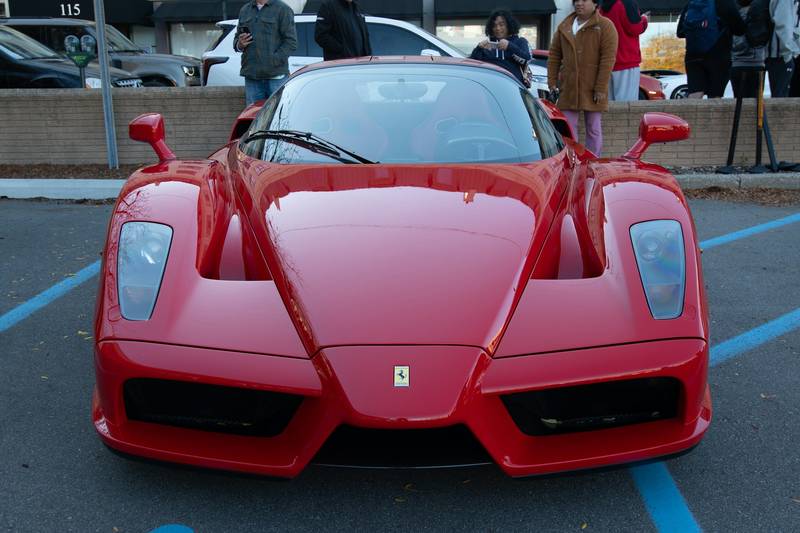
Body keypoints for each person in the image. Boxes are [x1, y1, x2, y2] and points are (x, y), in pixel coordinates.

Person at [547, 0, 618, 156]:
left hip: (593, 87)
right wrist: (552, 81)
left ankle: (593, 161)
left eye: (584, 0)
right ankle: (572, 160)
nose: (579, 3)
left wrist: (600, 87)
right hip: (568, 87)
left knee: (593, 128)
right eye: (576, 0)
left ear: (595, 3)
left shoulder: (605, 26)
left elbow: (608, 59)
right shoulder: (564, 26)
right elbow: (554, 56)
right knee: (568, 128)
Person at [234, 0, 298, 106]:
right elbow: (236, 39)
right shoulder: (245, 10)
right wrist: (239, 44)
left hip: (276, 77)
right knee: (253, 115)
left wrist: (274, 60)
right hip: (252, 77)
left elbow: (291, 42)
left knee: (278, 114)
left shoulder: (283, 9)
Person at [677, 0, 741, 98]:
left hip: (692, 55)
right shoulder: (725, 3)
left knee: (695, 92)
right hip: (718, 54)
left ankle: (692, 108)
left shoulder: (691, 4)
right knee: (715, 94)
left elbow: (680, 32)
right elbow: (739, 29)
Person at [600, 0, 649, 101]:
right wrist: (644, 20)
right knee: (627, 104)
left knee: (609, 105)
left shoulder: (602, 5)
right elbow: (635, 28)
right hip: (627, 61)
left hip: (607, 62)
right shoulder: (627, 2)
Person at [470, 10, 532, 85]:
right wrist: (479, 48)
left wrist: (509, 46)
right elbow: (471, 65)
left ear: (509, 25)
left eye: (501, 25)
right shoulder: (487, 45)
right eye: (494, 25)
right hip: (489, 87)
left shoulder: (520, 41)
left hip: (513, 87)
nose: (498, 28)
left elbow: (526, 60)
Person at [765, 0, 800, 96]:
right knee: (781, 98)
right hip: (782, 55)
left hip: (785, 54)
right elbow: (783, 25)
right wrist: (789, 53)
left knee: (785, 96)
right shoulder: (786, 1)